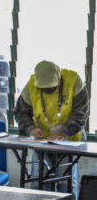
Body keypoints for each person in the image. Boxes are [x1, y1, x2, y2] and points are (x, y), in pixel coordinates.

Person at [14, 60, 89, 199]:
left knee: (65, 185)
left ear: (59, 79)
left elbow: (81, 113)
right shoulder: (31, 85)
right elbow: (20, 113)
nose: (48, 91)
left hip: (69, 141)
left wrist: (64, 132)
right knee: (38, 185)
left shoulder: (74, 81)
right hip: (41, 141)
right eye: (44, 89)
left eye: (51, 88)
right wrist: (30, 128)